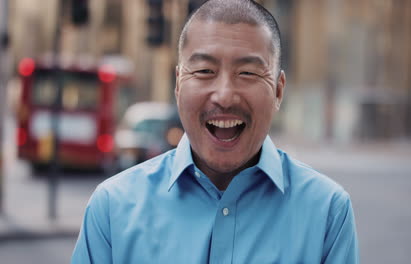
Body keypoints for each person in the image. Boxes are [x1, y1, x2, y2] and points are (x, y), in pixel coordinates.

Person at [71, 0, 359, 263]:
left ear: (278, 90)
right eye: (205, 71)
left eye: (247, 73)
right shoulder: (112, 208)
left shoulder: (327, 213)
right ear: (178, 84)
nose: (224, 95)